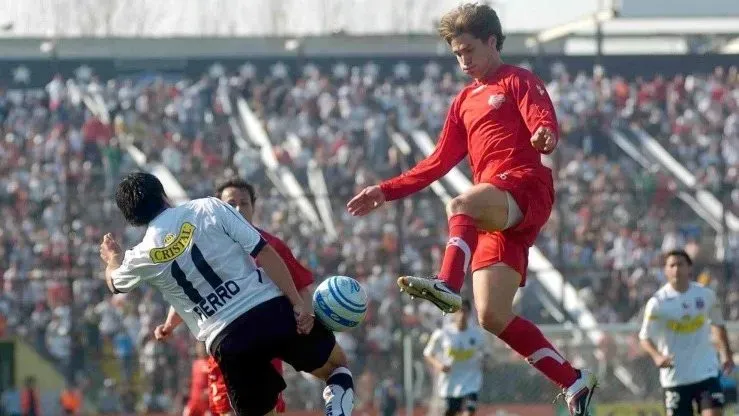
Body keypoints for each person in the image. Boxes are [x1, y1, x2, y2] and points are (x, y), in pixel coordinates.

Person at [346, 3, 595, 414]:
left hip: (524, 188)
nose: (463, 60)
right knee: (492, 316)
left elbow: (542, 117)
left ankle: (446, 282)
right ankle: (574, 380)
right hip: (495, 210)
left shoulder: (517, 79)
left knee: (460, 201)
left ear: (491, 42)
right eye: (456, 53)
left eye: (468, 50)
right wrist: (385, 191)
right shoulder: (463, 101)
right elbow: (437, 162)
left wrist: (545, 134)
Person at [99, 172, 354, 416]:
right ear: (163, 194)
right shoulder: (207, 207)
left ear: (132, 218)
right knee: (337, 367)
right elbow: (263, 252)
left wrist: (113, 259)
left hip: (227, 339)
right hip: (268, 310)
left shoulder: (140, 256)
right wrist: (297, 304)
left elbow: (114, 284)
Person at [155, 177, 330, 415]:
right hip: (225, 352)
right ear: (217, 207)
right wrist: (168, 325)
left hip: (264, 347)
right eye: (231, 203)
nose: (237, 209)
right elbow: (190, 291)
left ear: (253, 207)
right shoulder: (203, 244)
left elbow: (301, 287)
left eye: (244, 203)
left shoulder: (272, 245)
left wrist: (304, 317)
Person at [639, 250, 735, 416]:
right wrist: (657, 357)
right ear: (666, 270)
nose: (676, 269)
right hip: (675, 378)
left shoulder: (705, 295)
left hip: (706, 372)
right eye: (672, 265)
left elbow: (718, 324)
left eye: (681, 264)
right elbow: (644, 337)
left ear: (689, 268)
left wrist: (726, 353)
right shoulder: (658, 303)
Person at [423, 300, 486, 416]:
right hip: (449, 383)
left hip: (471, 381)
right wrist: (439, 365)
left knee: (469, 412)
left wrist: (485, 362)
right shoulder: (443, 333)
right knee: (450, 413)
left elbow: (486, 353)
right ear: (454, 313)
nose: (462, 315)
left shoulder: (477, 334)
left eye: (465, 311)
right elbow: (428, 353)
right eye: (459, 311)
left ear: (469, 313)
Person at [183, 343, 210, 416]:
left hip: (206, 403)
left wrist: (209, 391)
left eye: (203, 347)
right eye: (199, 347)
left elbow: (217, 381)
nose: (201, 350)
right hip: (194, 401)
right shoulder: (195, 363)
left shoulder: (211, 363)